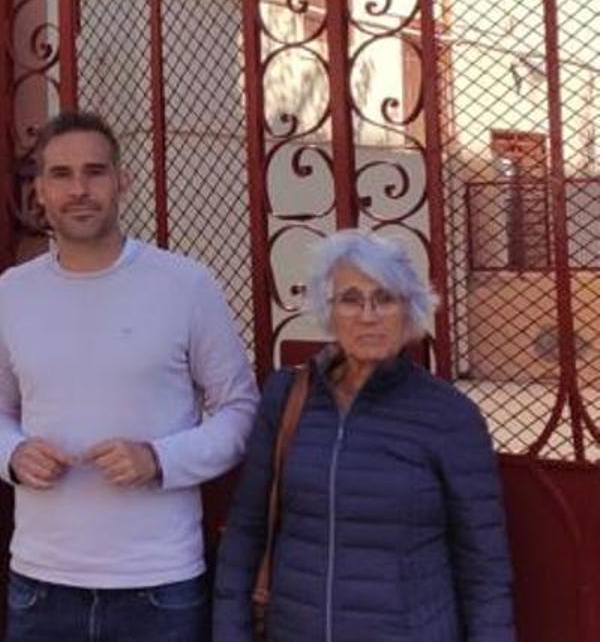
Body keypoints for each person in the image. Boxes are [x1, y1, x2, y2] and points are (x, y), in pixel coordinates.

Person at [0, 111, 259, 642]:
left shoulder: (185, 285)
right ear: (39, 190)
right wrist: (12, 454)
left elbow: (240, 411)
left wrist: (159, 460)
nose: (79, 189)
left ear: (122, 180)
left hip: (159, 584)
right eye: (60, 175)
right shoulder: (13, 293)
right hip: (41, 584)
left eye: (94, 172)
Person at [213, 229, 515, 641]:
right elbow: (247, 528)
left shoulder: (449, 415)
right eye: (351, 299)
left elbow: (484, 567)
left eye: (386, 298)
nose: (368, 315)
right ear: (328, 310)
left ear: (409, 311)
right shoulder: (286, 397)